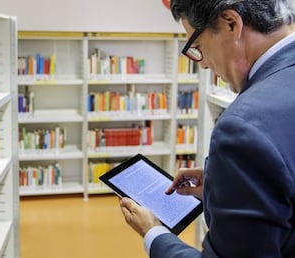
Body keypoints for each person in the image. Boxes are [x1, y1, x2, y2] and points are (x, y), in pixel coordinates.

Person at [119, 0, 295, 257]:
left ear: (230, 23)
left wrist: (153, 233)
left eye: (198, 46)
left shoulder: (241, 129)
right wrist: (226, 184)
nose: (201, 64)